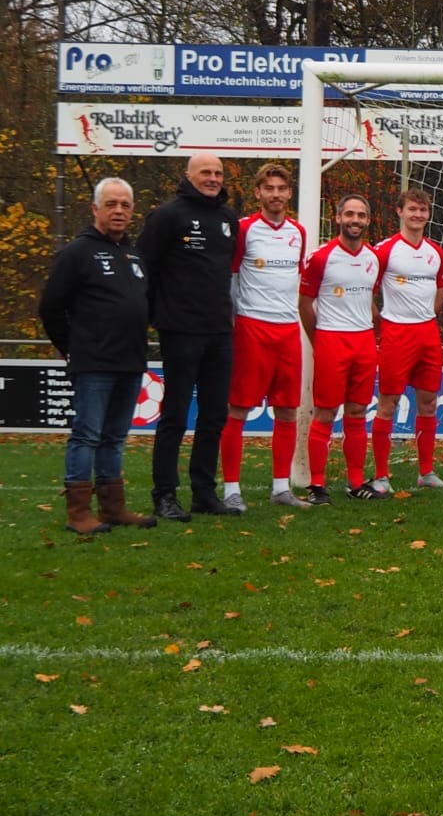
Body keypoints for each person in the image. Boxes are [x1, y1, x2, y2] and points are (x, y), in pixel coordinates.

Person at [38, 177, 156, 533]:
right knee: (86, 435)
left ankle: (113, 507)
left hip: (131, 360)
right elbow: (50, 308)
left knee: (114, 437)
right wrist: (72, 348)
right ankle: (79, 513)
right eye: (111, 204)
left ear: (132, 211)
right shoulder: (77, 252)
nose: (118, 211)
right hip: (94, 362)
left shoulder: (134, 255)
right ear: (95, 209)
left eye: (125, 205)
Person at [136, 151, 240, 519]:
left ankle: (203, 493)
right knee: (175, 415)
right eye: (206, 172)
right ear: (188, 175)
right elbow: (143, 268)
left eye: (218, 173)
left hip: (219, 332)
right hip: (180, 331)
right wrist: (153, 317)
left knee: (214, 415)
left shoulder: (229, 218)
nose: (213, 178)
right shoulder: (167, 216)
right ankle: (164, 495)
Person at [221, 163, 309, 510]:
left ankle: (280, 488)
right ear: (258, 192)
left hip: (288, 332)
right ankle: (231, 489)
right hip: (251, 327)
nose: (275, 194)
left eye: (281, 188)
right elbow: (230, 280)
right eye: (268, 188)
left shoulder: (299, 232)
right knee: (238, 410)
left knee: (287, 411)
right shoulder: (243, 230)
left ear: (289, 193)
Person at [297, 195, 385, 502]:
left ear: (368, 220)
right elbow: (305, 303)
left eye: (361, 215)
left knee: (358, 411)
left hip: (363, 342)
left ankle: (356, 482)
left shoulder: (374, 258)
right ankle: (317, 485)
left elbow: (368, 301)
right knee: (325, 412)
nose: (355, 220)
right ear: (337, 218)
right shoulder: (321, 257)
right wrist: (318, 338)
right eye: (349, 213)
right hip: (332, 339)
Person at [370, 188, 443, 494]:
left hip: (427, 333)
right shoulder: (385, 250)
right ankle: (380, 475)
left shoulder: (435, 252)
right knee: (388, 403)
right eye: (412, 209)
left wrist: (429, 315)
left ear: (428, 214)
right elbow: (368, 289)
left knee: (428, 402)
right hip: (396, 333)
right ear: (399, 212)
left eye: (423, 210)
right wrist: (381, 321)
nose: (418, 215)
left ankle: (426, 472)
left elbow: (440, 287)